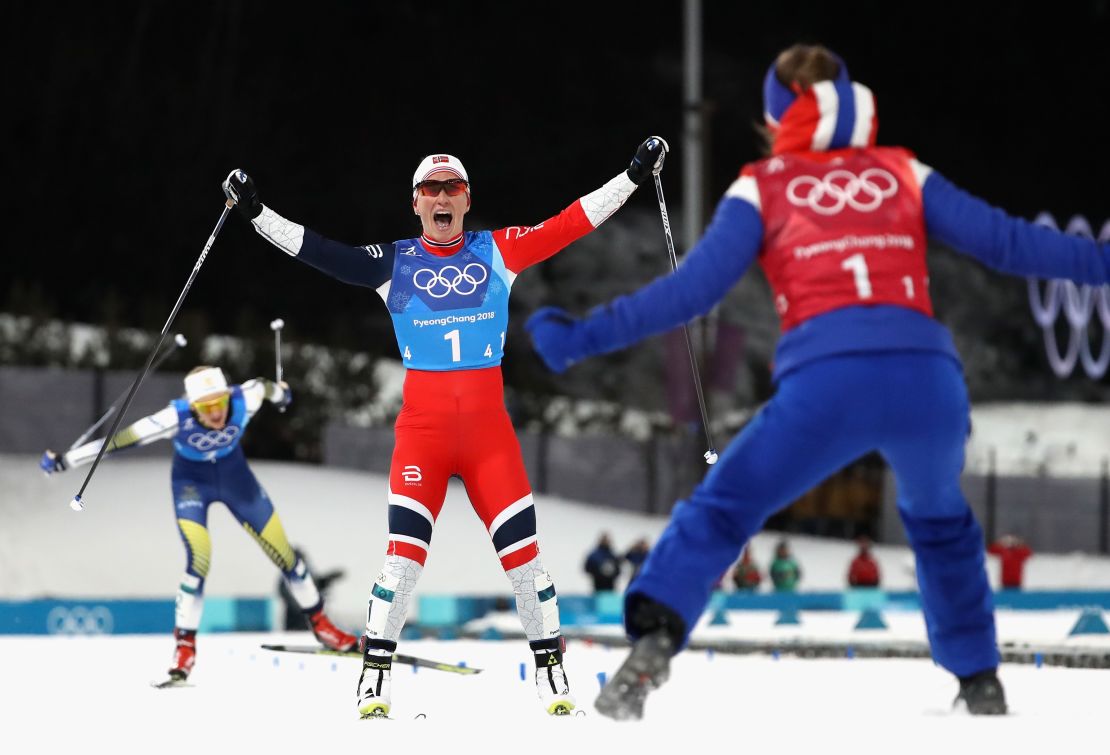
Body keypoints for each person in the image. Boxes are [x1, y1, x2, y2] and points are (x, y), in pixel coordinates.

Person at [526, 43, 1110, 719]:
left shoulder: (762, 186)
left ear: (777, 122)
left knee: (725, 508)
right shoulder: (902, 172)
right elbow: (1012, 243)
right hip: (928, 382)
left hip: (826, 385)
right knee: (941, 522)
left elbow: (689, 293)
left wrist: (578, 337)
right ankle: (980, 679)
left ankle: (654, 640)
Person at [221, 135, 668, 719]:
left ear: (465, 198)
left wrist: (633, 176)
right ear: (415, 202)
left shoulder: (499, 250)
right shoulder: (394, 263)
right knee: (402, 561)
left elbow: (571, 221)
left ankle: (552, 676)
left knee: (525, 561)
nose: (440, 197)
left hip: (489, 441)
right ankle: (373, 681)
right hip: (423, 439)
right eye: (429, 189)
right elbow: (319, 250)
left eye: (450, 188)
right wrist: (256, 213)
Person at [39, 366, 356, 683]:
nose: (216, 413)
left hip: (236, 480)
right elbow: (117, 441)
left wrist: (282, 393)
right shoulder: (174, 417)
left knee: (285, 555)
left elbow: (265, 386)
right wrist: (66, 460)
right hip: (192, 485)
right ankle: (185, 647)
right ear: (192, 405)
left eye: (219, 402)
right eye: (206, 407)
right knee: (199, 558)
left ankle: (323, 627)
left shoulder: (246, 397)